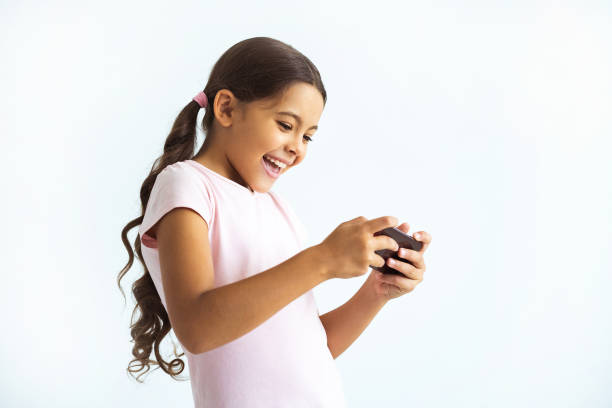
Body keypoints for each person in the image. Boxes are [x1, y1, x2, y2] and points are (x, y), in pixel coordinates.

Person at [117, 36, 431, 407]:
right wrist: (324, 260)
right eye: (286, 125)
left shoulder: (277, 209)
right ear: (227, 108)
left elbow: (312, 347)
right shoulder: (187, 184)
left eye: (308, 136)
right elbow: (197, 328)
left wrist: (376, 291)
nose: (298, 148)